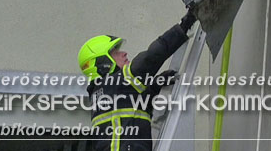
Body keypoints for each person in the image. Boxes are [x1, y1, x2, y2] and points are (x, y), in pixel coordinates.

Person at [79, 10, 197, 151]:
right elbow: (151, 57)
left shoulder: (103, 91)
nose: (124, 53)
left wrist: (155, 84)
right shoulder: (117, 83)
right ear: (102, 62)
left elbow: (137, 105)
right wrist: (184, 25)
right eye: (115, 52)